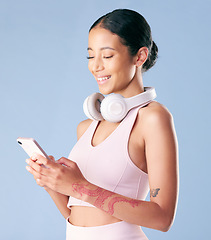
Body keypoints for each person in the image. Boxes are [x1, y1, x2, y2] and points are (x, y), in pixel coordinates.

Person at [26, 9, 179, 240]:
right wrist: (52, 183)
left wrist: (79, 187)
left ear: (139, 57)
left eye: (107, 56)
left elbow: (162, 218)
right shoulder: (86, 127)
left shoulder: (152, 118)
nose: (95, 66)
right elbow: (77, 216)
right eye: (90, 56)